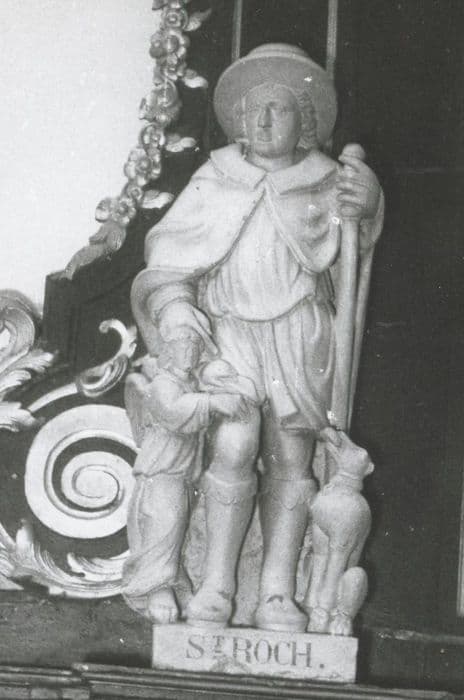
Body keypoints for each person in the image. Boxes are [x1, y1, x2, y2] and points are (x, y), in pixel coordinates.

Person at [131, 44, 384, 632]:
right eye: (253, 111)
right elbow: (170, 257)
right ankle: (218, 584)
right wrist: (176, 310)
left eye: (278, 108)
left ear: (306, 121)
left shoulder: (326, 180)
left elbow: (356, 249)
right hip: (230, 331)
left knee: (292, 458)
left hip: (301, 334)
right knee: (234, 446)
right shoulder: (215, 177)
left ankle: (275, 592)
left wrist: (368, 205)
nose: (263, 122)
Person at [122, 327, 250, 623]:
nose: (189, 353)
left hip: (181, 474)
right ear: (168, 351)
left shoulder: (187, 383)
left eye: (194, 348)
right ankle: (156, 590)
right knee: (164, 524)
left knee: (175, 529)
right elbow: (172, 412)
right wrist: (212, 403)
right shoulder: (162, 384)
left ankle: (170, 586)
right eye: (182, 347)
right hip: (160, 471)